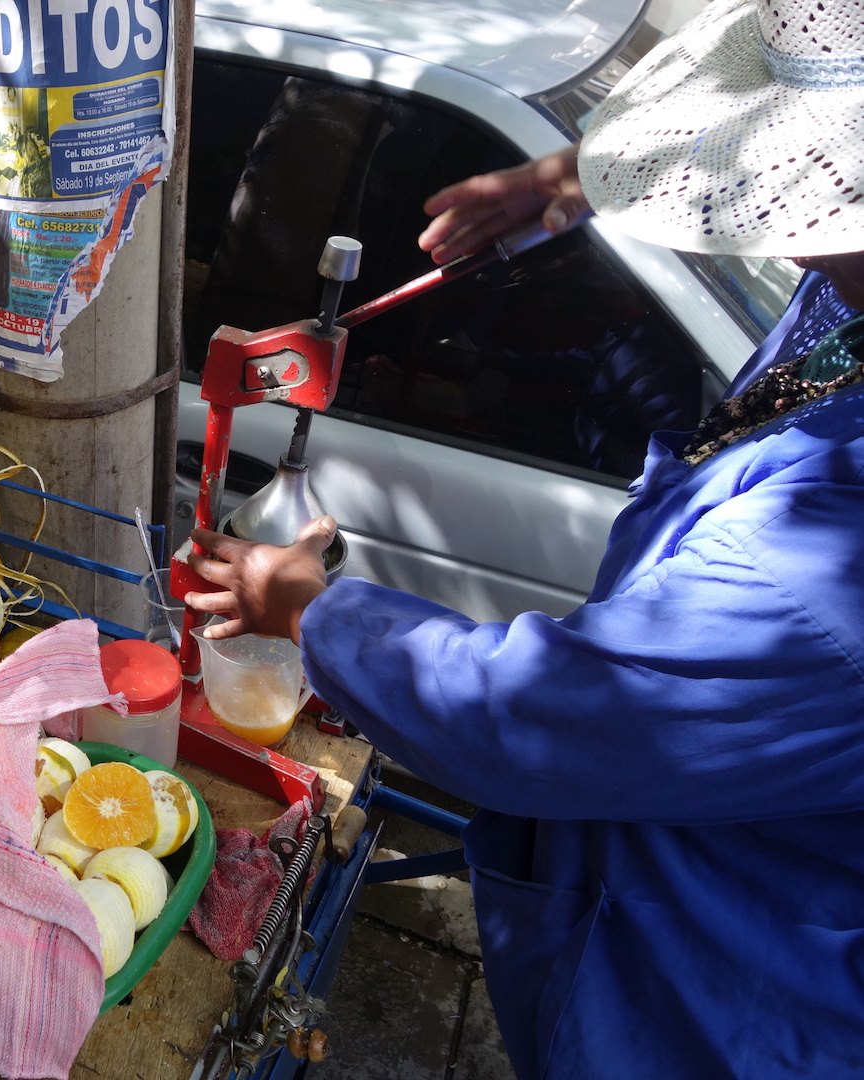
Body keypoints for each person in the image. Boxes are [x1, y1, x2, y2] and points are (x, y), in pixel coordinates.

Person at [185, 0, 864, 1075]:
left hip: (716, 1001)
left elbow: (539, 718)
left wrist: (316, 612)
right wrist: (569, 182)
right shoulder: (848, 308)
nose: (787, 228)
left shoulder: (821, 575)